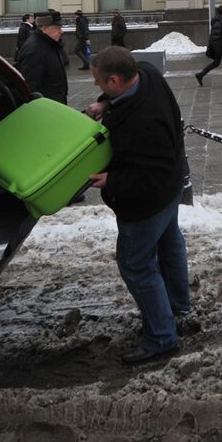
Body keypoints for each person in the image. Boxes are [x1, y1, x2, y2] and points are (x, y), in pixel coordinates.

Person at [83, 47, 192, 365]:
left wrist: (110, 181)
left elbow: (149, 179)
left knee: (137, 265)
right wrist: (104, 104)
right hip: (170, 188)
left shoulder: (144, 123)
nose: (96, 86)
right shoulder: (147, 73)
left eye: (99, 83)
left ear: (115, 79)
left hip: (148, 203)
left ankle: (162, 338)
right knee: (171, 245)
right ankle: (176, 307)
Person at [16, 10, 69, 103]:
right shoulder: (34, 50)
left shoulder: (50, 43)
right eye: (57, 28)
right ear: (44, 29)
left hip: (55, 104)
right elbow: (30, 87)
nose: (61, 31)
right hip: (47, 107)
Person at [195, 7, 222, 86]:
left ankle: (200, 75)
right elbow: (215, 36)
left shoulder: (221, 21)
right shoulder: (218, 22)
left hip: (221, 46)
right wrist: (217, 49)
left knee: (217, 62)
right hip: (220, 47)